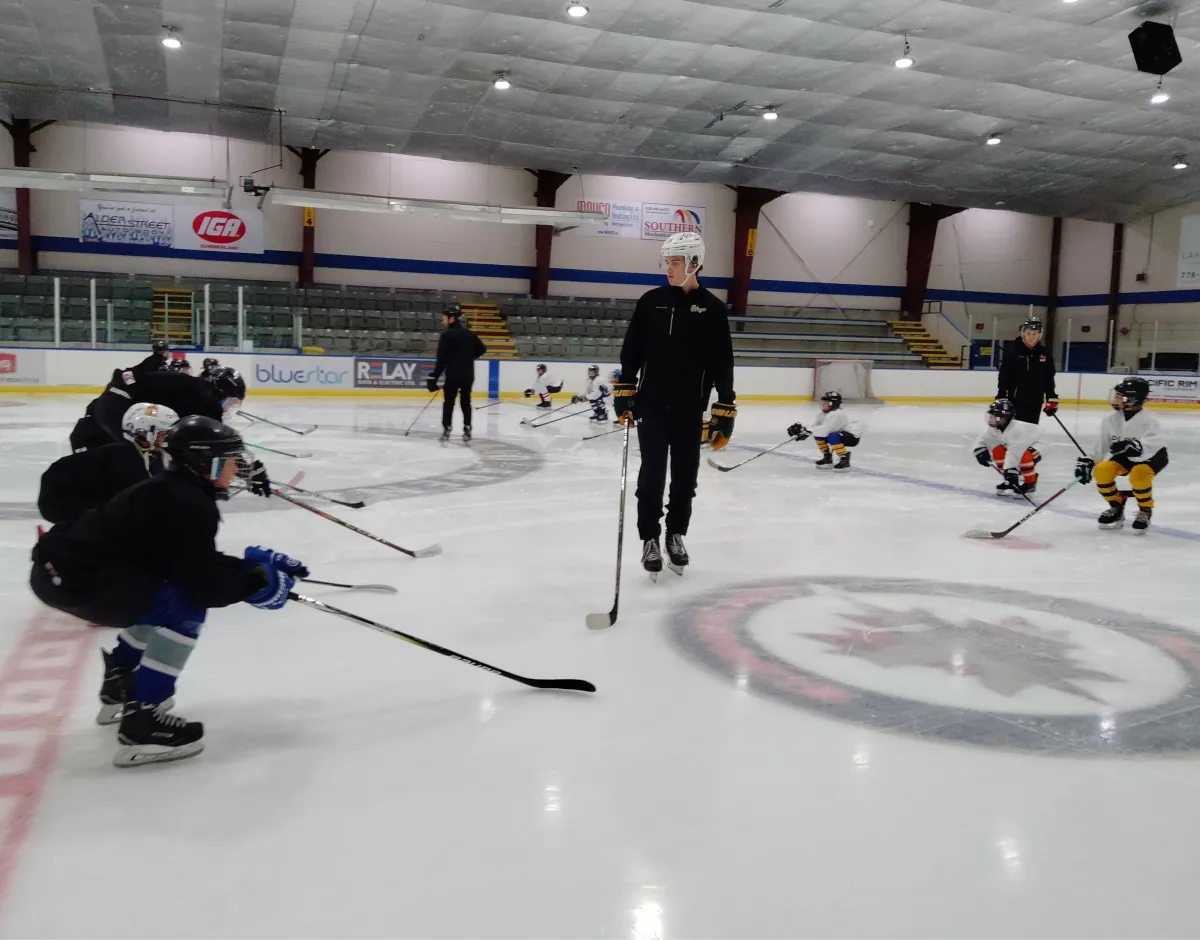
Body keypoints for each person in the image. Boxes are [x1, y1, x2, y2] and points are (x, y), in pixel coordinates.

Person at [29, 417, 305, 766]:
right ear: (208, 462)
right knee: (184, 604)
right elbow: (202, 585)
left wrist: (246, 568)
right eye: (232, 459)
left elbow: (187, 560)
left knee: (165, 592)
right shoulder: (188, 501)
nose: (238, 468)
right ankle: (143, 721)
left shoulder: (174, 489)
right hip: (79, 581)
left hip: (62, 573)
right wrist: (256, 583)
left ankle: (120, 685)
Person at [615, 231, 735, 579]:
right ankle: (650, 538)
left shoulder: (712, 309)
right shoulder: (650, 301)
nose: (669, 268)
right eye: (667, 262)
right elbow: (632, 349)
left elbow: (721, 362)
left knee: (685, 478)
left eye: (676, 262)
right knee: (651, 473)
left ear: (694, 263)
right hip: (650, 405)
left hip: (689, 409)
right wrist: (625, 387)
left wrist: (724, 407)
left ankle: (675, 535)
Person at [39, 403, 179, 526]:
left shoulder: (141, 455)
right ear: (144, 433)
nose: (167, 439)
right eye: (163, 434)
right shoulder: (123, 458)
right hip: (60, 501)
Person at [69, 365, 243, 452]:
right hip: (117, 407)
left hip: (105, 407)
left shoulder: (195, 387)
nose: (228, 409)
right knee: (150, 455)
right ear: (221, 390)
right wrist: (248, 469)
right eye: (231, 402)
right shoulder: (207, 398)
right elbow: (218, 442)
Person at [1074, 376, 1167, 534]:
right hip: (1125, 457)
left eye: (1119, 396)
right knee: (1102, 470)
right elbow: (1101, 445)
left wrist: (1136, 446)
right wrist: (1089, 461)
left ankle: (1145, 510)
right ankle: (1116, 507)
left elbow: (1154, 443)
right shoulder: (1110, 420)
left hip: (1151, 457)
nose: (1115, 399)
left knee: (1139, 474)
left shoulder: (1150, 420)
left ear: (1132, 399)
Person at [996, 316, 1057, 487]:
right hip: (1014, 404)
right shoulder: (1012, 351)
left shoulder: (1044, 354)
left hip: (1034, 404)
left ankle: (1028, 477)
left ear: (1040, 335)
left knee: (1025, 442)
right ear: (1022, 333)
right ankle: (1010, 476)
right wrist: (1001, 399)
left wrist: (1051, 398)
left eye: (1034, 333)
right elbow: (1004, 378)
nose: (1031, 337)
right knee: (1010, 441)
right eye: (1028, 333)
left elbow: (1048, 380)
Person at [426, 302, 486, 443]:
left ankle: (447, 428)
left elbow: (441, 360)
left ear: (452, 318)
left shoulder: (447, 336)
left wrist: (433, 377)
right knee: (466, 401)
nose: (443, 321)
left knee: (449, 402)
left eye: (445, 318)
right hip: (468, 375)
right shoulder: (470, 334)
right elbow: (482, 349)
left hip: (453, 375)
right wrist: (468, 357)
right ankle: (467, 427)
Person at [972, 398, 1041, 497]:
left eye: (993, 415)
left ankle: (1030, 483)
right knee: (998, 450)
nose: (990, 417)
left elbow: (1015, 452)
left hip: (1036, 447)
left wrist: (1011, 470)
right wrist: (980, 451)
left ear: (1003, 418)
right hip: (1017, 449)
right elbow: (981, 441)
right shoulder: (994, 428)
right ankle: (1010, 482)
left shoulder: (1017, 429)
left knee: (1024, 455)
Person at [786, 391, 862, 472]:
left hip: (852, 437)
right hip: (838, 434)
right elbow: (815, 425)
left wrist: (809, 431)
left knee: (832, 435)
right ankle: (827, 457)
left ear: (832, 404)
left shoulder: (837, 415)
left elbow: (825, 429)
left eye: (825, 403)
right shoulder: (822, 414)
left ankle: (844, 458)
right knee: (819, 435)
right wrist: (804, 429)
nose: (822, 404)